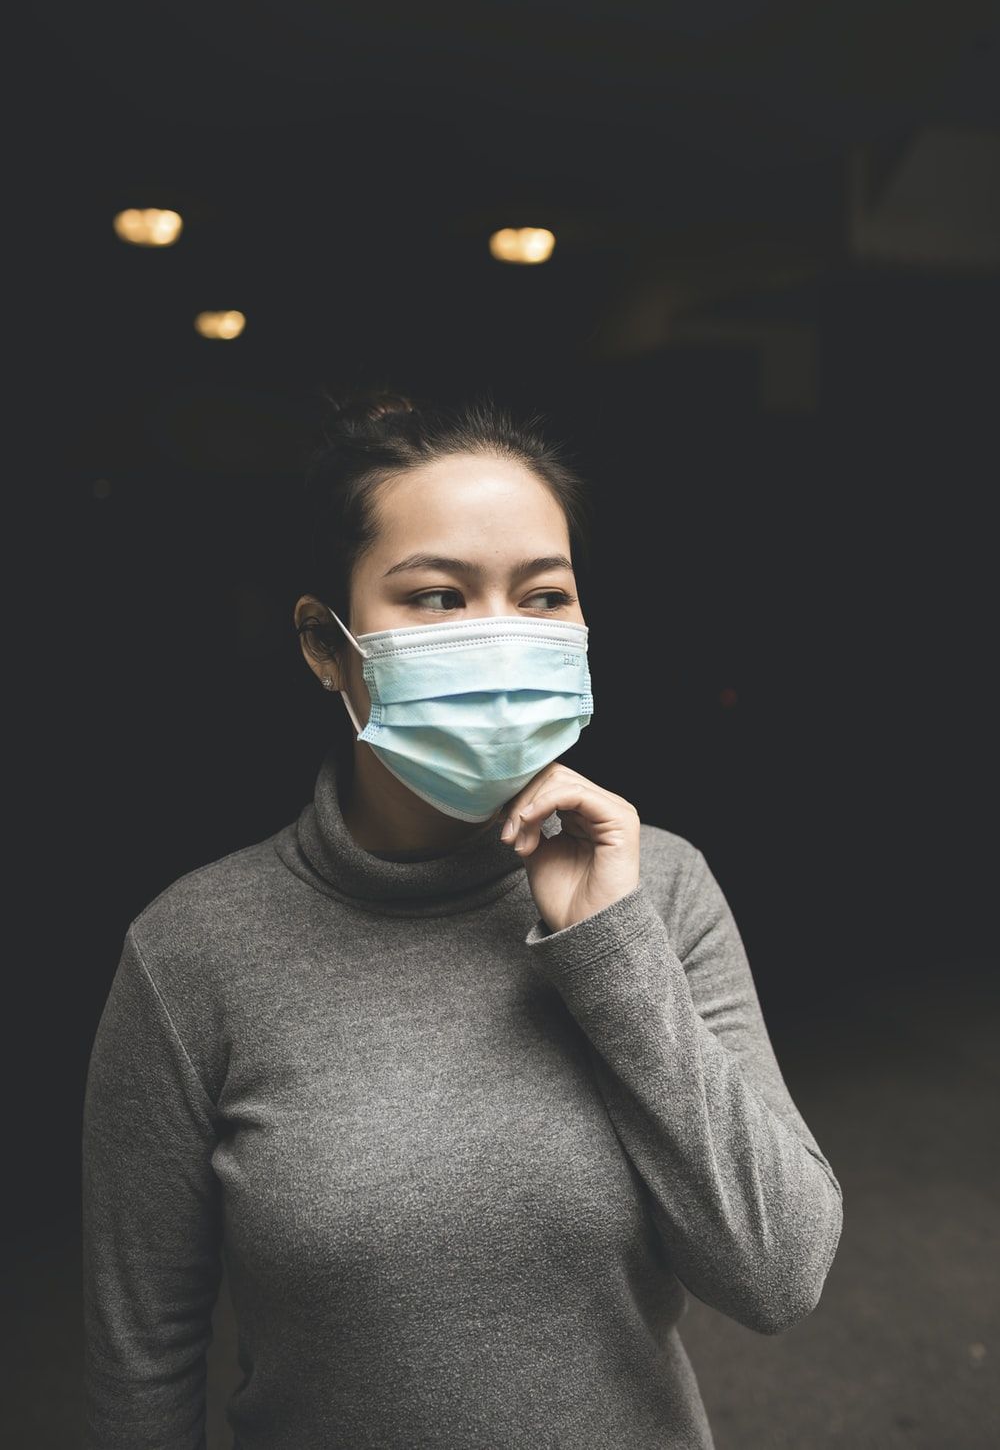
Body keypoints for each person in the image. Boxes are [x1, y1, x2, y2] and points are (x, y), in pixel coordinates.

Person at [81, 388, 843, 1450]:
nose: (499, 636)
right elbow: (142, 1360)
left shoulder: (661, 889)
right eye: (438, 597)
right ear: (326, 644)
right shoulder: (190, 954)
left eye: (543, 595)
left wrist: (609, 949)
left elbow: (778, 1272)